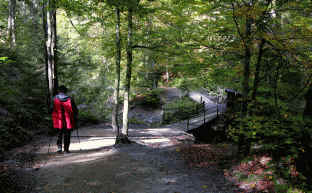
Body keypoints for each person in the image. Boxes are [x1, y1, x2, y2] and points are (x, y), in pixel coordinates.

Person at [52, 85, 78, 153]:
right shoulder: (70, 99)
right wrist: (76, 117)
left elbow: (51, 109)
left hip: (58, 120)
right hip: (68, 120)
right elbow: (75, 110)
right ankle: (66, 149)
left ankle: (59, 148)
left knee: (59, 134)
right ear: (66, 91)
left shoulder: (55, 98)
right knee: (67, 134)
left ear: (59, 91)